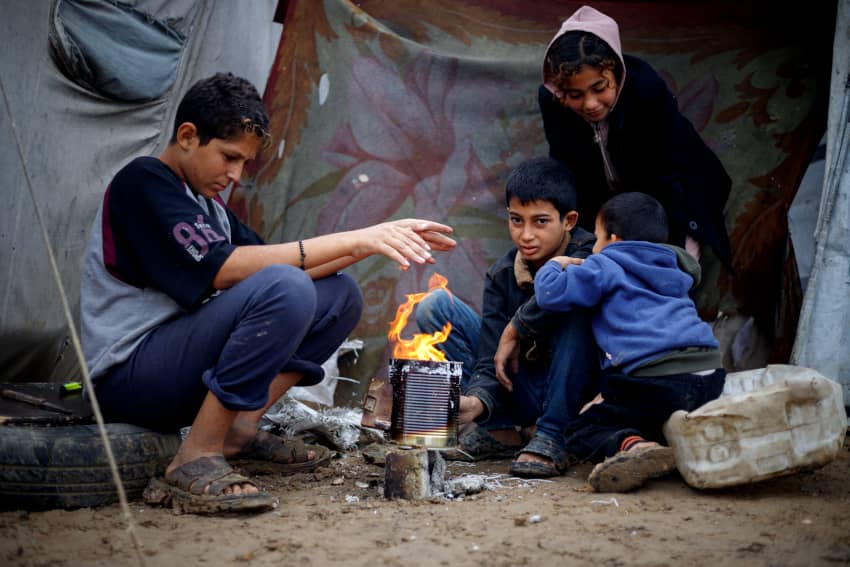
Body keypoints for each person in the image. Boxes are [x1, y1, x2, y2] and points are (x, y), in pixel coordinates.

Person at [80, 72, 456, 513]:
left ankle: (239, 428)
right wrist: (360, 238)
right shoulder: (143, 182)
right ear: (187, 135)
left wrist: (374, 240)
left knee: (339, 296)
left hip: (178, 368)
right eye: (228, 157)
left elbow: (288, 264)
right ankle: (196, 455)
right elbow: (227, 271)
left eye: (244, 163)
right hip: (127, 378)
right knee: (287, 287)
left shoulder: (209, 206)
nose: (235, 175)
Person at [415, 156, 599, 478]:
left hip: (579, 393)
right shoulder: (502, 274)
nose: (525, 235)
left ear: (568, 221)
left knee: (573, 301)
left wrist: (516, 328)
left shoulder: (593, 253)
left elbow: (568, 288)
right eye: (516, 220)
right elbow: (489, 360)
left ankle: (553, 434)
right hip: (525, 389)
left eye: (540, 222)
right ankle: (501, 431)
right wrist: (477, 403)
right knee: (434, 307)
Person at [535, 192, 726, 492]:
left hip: (655, 378)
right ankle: (676, 444)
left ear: (613, 238)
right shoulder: (675, 267)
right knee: (653, 410)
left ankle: (634, 446)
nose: (594, 247)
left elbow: (551, 294)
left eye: (597, 238)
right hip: (710, 375)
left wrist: (554, 265)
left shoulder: (606, 263)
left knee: (581, 428)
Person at [539, 5, 733, 268]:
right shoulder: (553, 102)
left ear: (616, 73)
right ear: (560, 91)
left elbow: (666, 179)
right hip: (609, 201)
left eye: (599, 88)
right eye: (576, 95)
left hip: (676, 190)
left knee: (666, 272)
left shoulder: (645, 90)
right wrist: (583, 244)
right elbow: (569, 172)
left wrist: (668, 252)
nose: (591, 104)